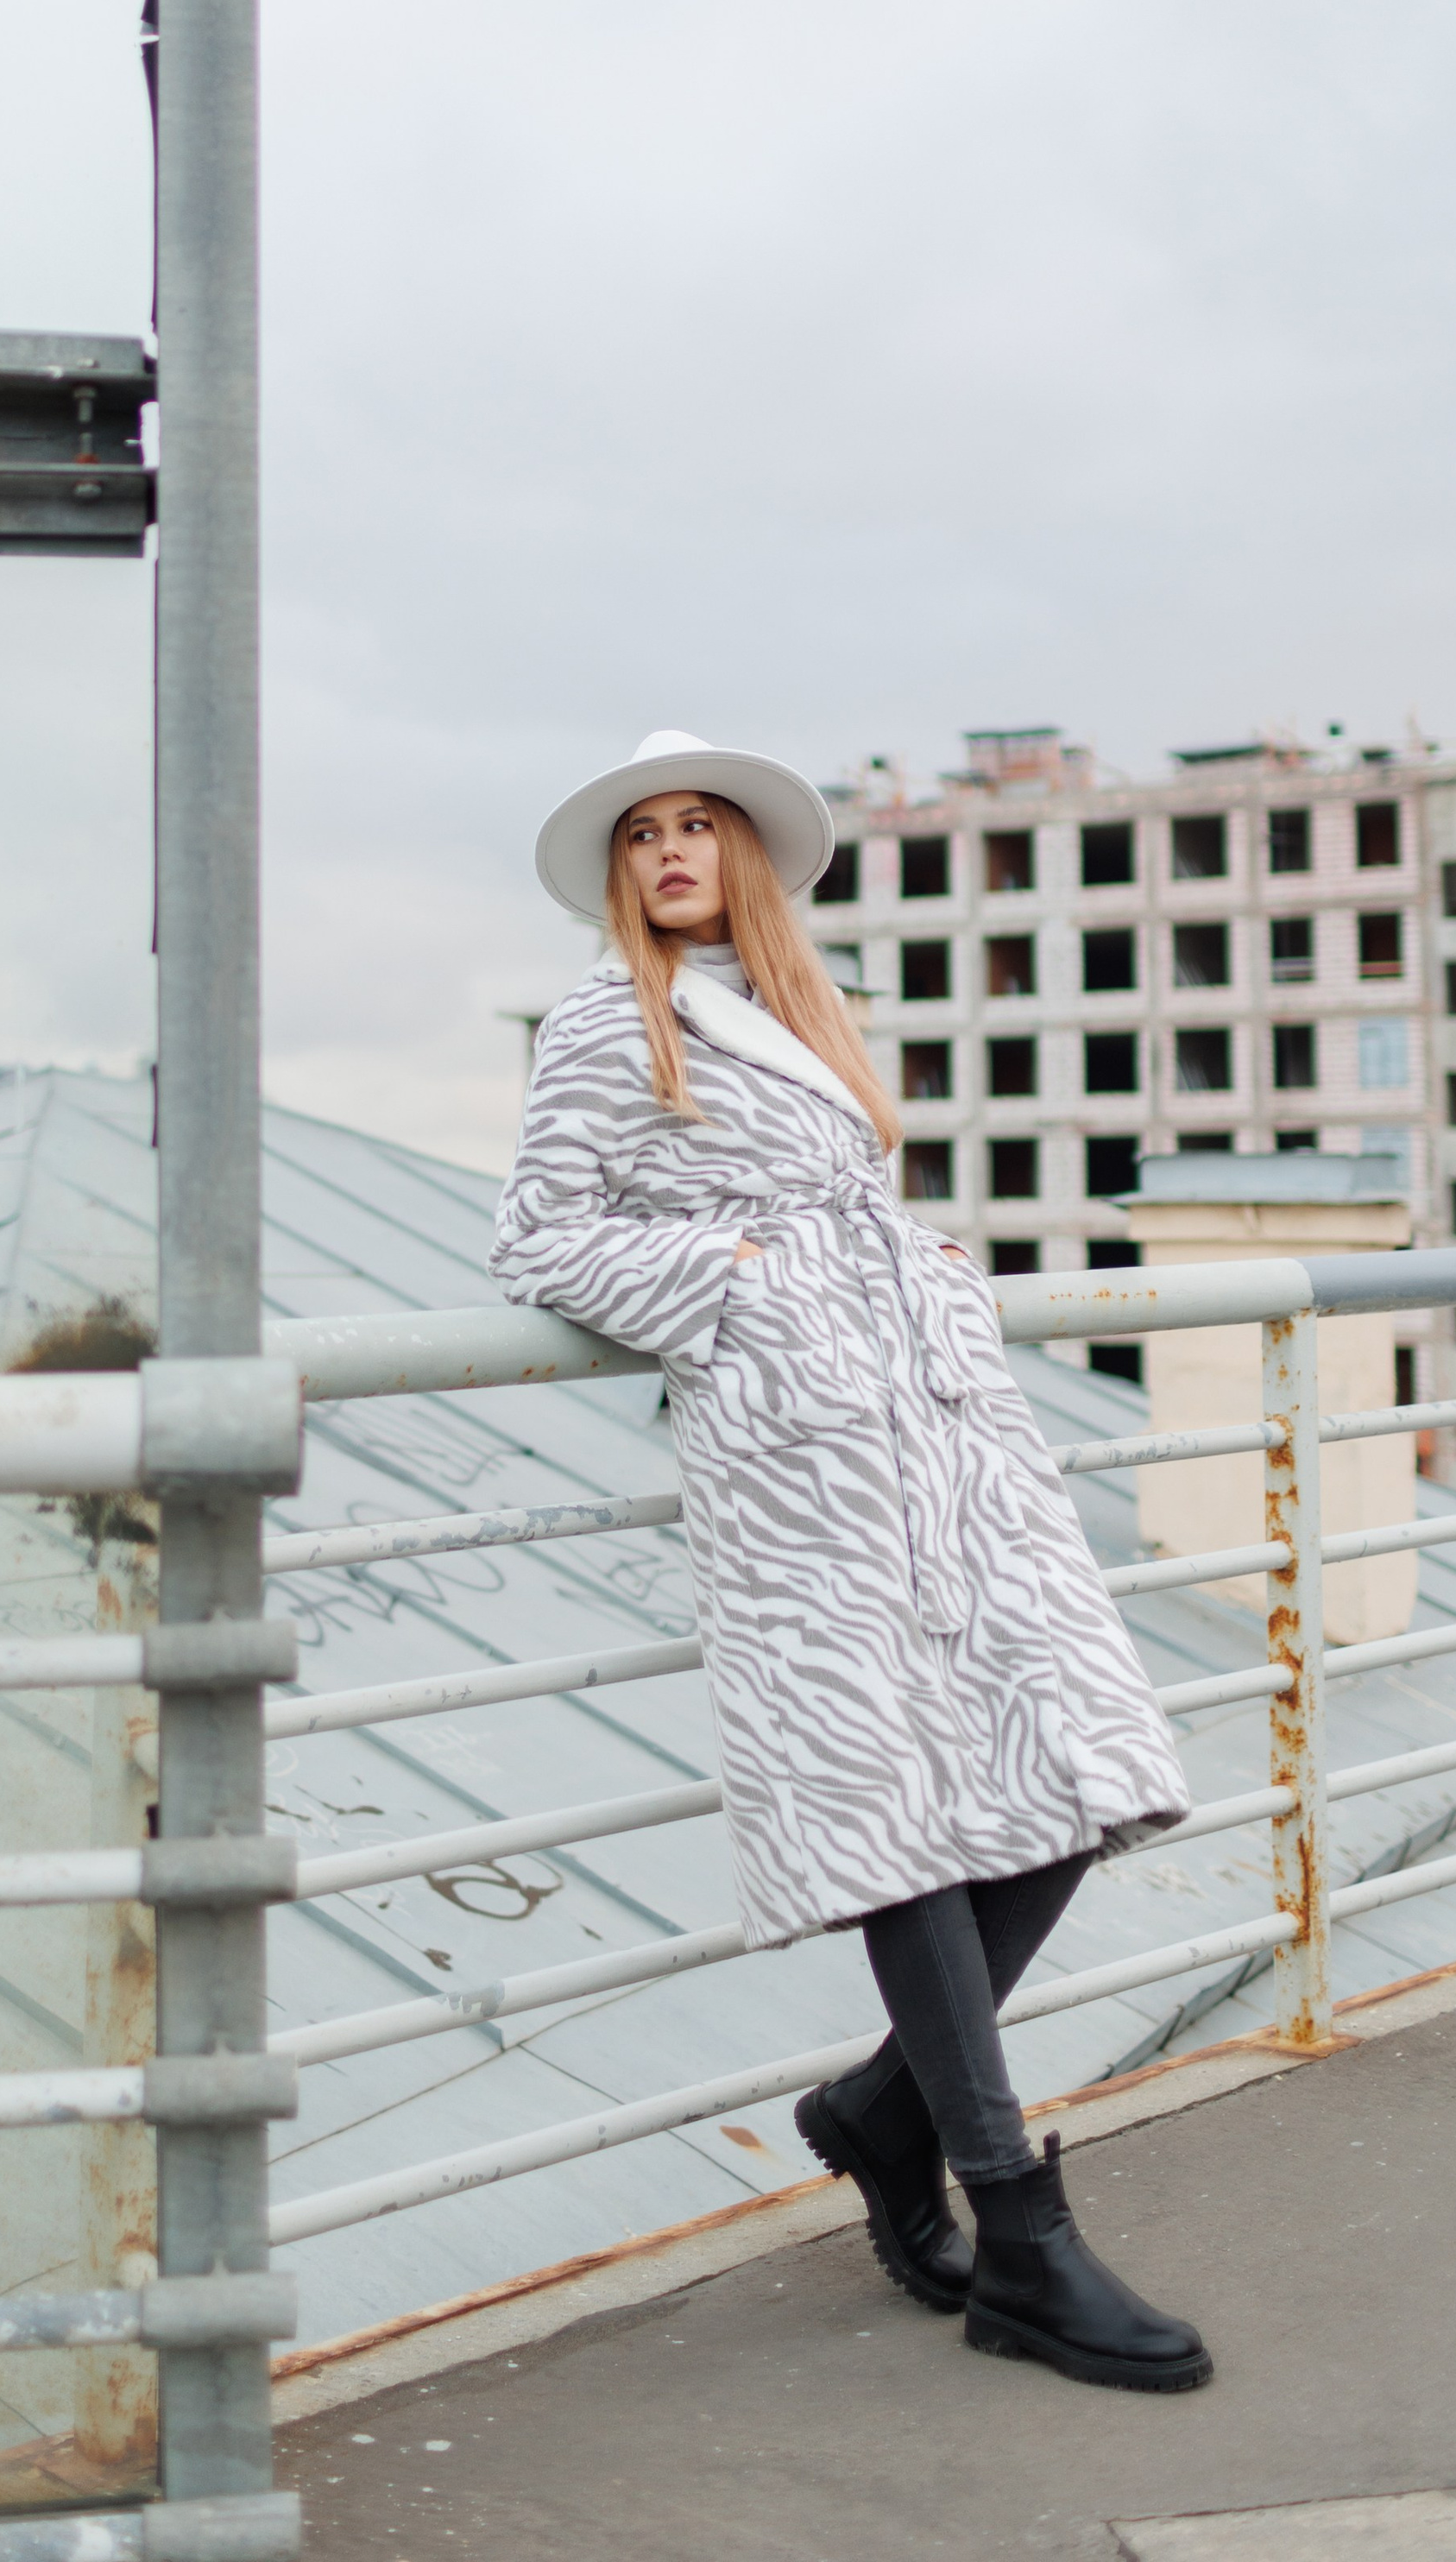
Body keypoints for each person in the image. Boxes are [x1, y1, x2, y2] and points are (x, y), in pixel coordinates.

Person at [488, 729, 1212, 2393]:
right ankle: (1015, 2223)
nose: (672, 852)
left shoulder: (800, 1008)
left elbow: (833, 1192)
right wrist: (739, 1269)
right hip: (796, 1451)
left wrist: (903, 1252)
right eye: (646, 835)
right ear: (621, 872)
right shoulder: (616, 1016)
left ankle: (879, 2114)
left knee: (1074, 1763)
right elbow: (539, 1232)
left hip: (936, 1435)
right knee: (901, 1812)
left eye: (699, 827)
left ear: (743, 854)